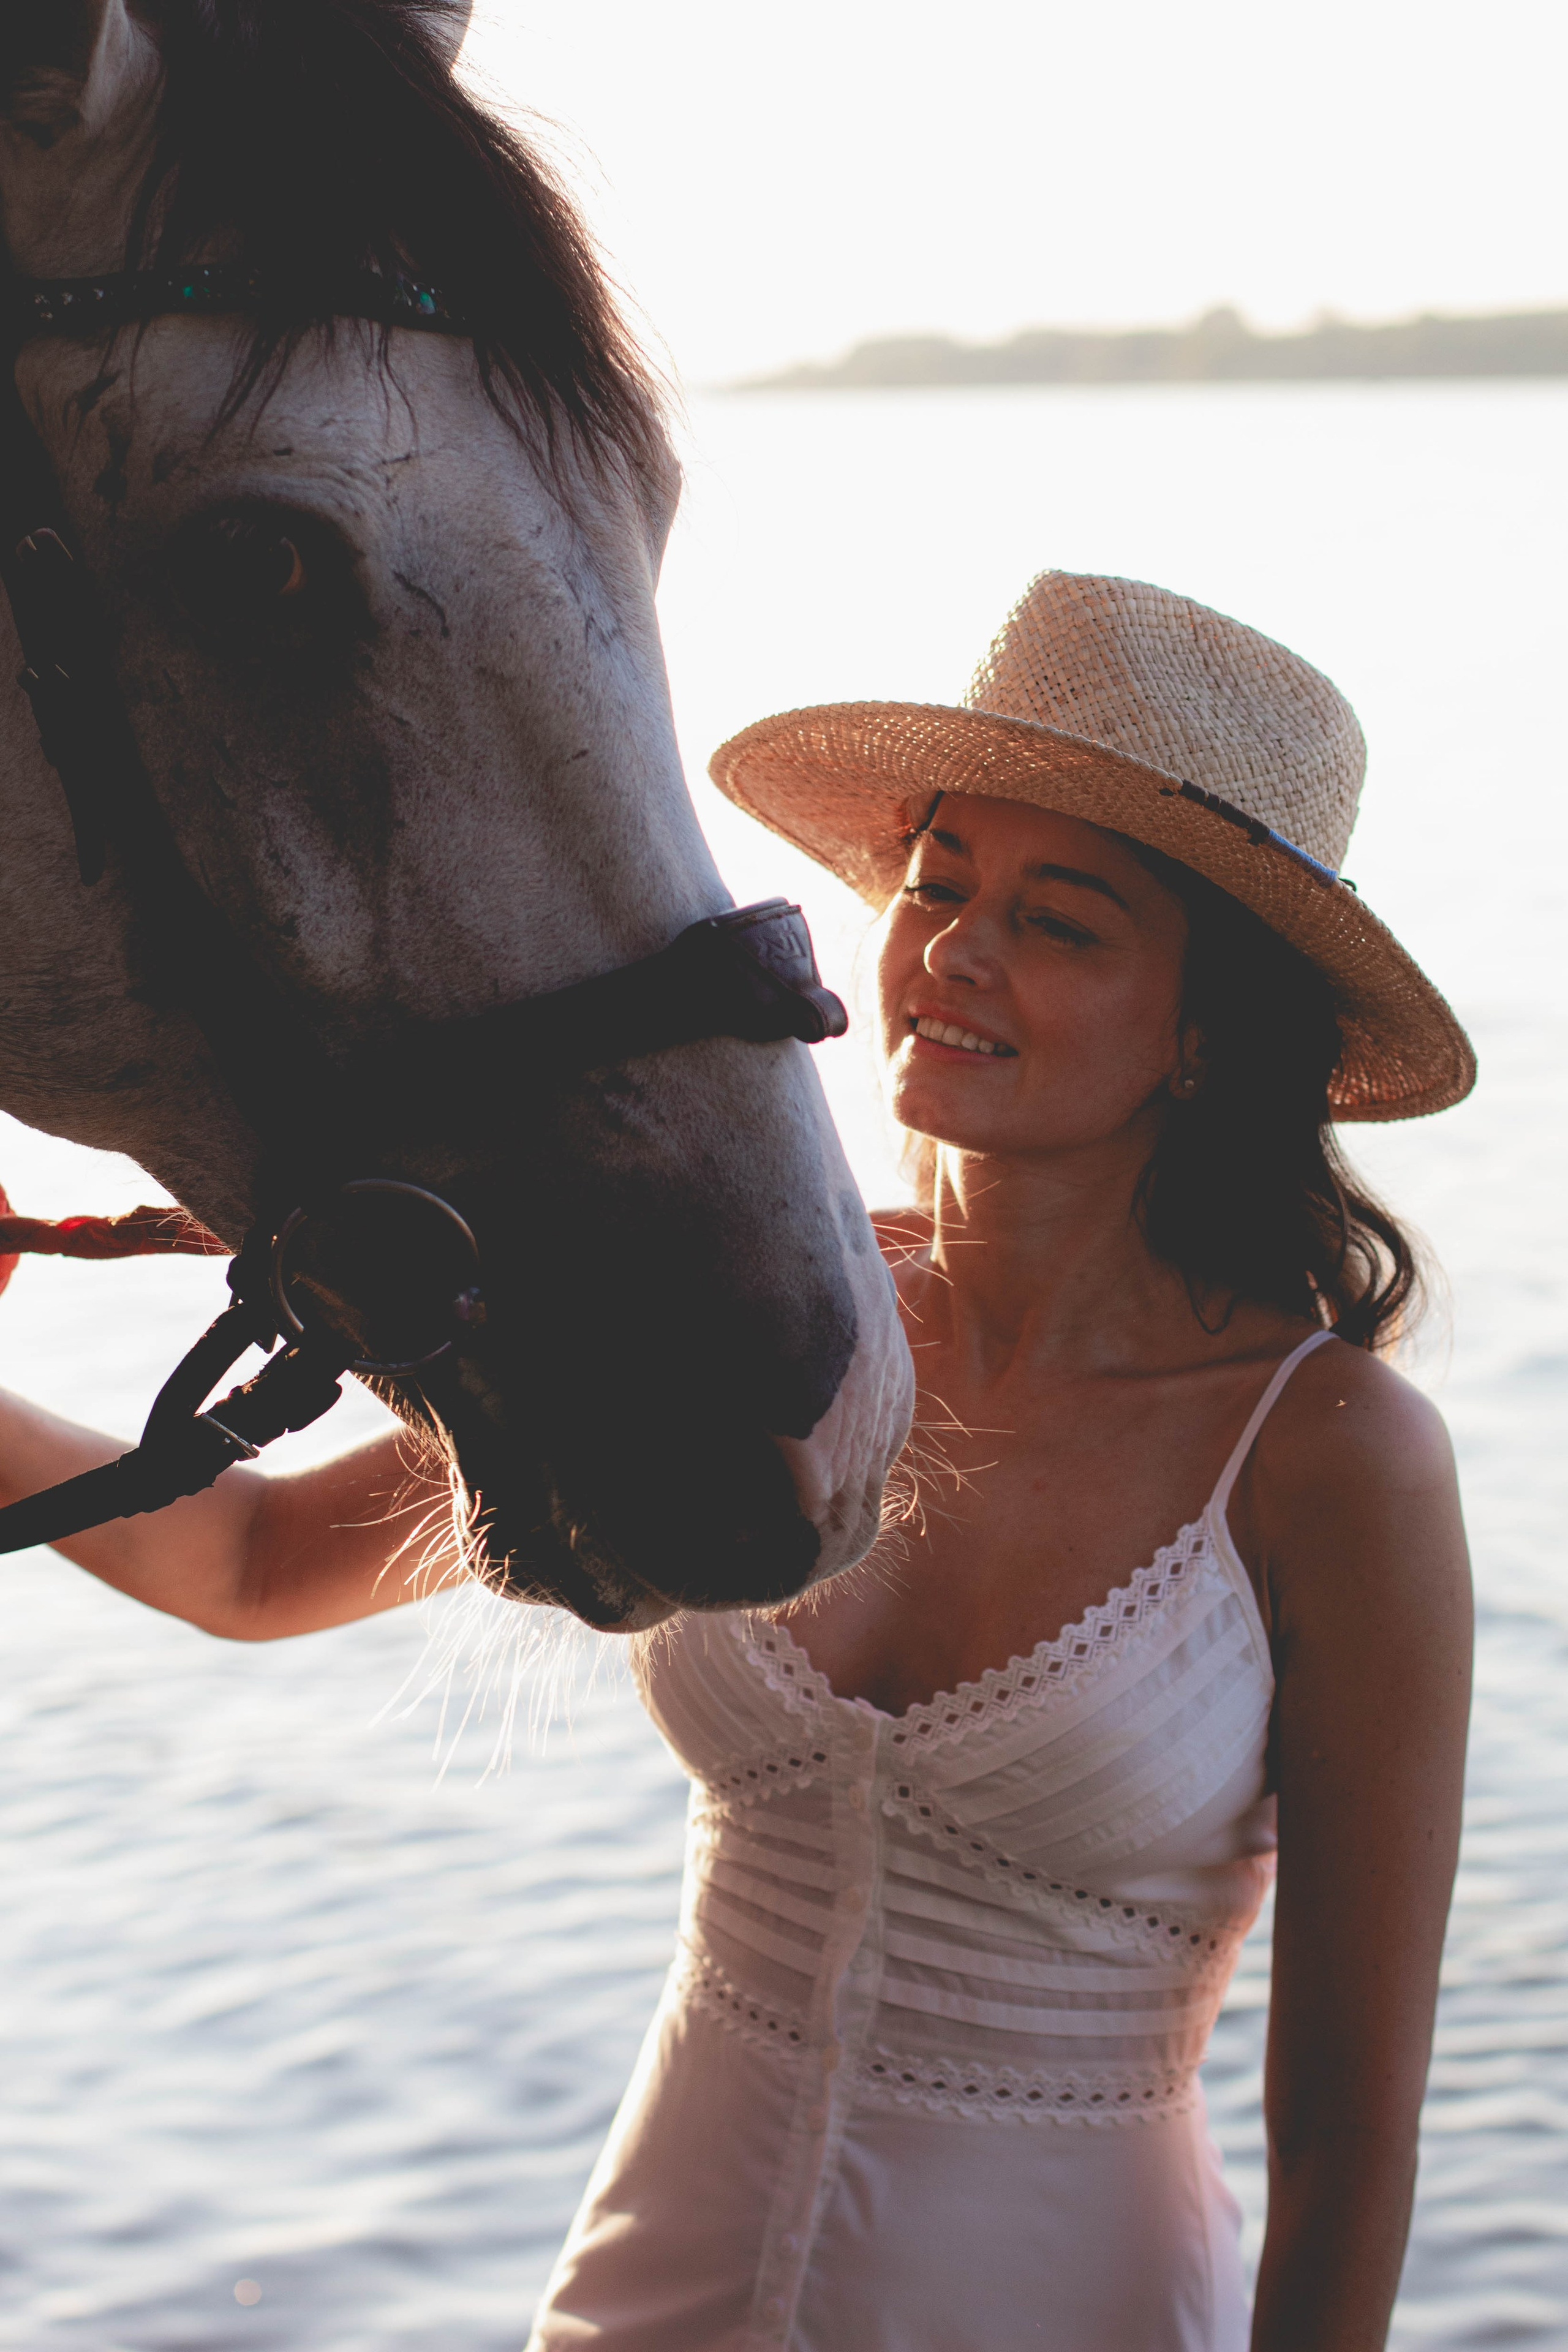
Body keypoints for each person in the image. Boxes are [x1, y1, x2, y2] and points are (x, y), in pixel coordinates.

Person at [0, 571, 1474, 2351]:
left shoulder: (1328, 1458)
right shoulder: (740, 1308)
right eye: (939, 887)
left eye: (1061, 923)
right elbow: (242, 1571)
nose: (955, 952)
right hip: (643, 2306)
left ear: (1207, 1030)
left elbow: (1342, 2134)